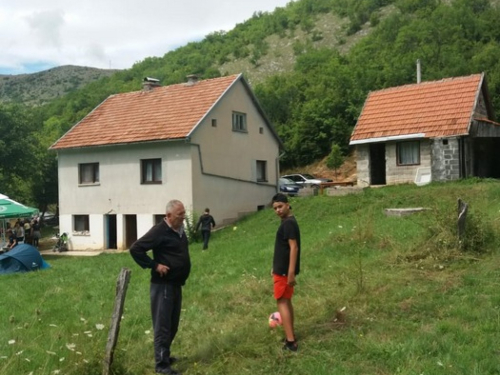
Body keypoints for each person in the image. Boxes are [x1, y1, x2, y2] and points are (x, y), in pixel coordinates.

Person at [130, 200, 191, 375]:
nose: (184, 217)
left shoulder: (179, 230)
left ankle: (165, 356)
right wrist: (155, 265)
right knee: (163, 326)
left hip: (175, 284)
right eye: (180, 214)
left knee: (173, 325)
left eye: (184, 212)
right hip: (162, 286)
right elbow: (136, 249)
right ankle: (162, 366)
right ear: (169, 216)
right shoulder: (159, 231)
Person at [271, 193, 301, 352]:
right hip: (281, 270)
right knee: (286, 302)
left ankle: (290, 341)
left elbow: (293, 247)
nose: (278, 210)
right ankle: (291, 335)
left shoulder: (288, 224)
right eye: (275, 208)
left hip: (283, 272)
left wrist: (290, 272)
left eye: (280, 206)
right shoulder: (289, 221)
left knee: (282, 302)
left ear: (287, 205)